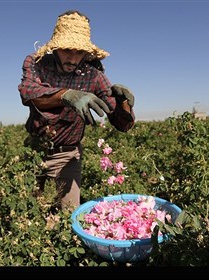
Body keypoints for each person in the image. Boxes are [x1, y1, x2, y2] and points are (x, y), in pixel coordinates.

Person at [18, 10, 135, 211]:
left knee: (68, 216)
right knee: (28, 212)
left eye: (79, 52)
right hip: (34, 150)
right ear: (55, 48)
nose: (72, 59)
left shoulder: (93, 76)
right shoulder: (36, 64)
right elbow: (28, 93)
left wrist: (123, 103)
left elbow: (122, 124)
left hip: (68, 155)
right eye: (67, 51)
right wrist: (66, 95)